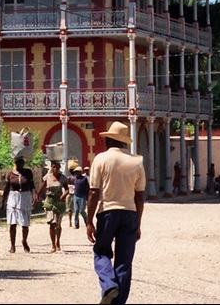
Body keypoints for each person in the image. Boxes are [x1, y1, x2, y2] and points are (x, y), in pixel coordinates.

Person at [86, 121, 146, 305]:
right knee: (124, 261)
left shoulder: (101, 159)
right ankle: (118, 302)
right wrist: (138, 223)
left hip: (108, 213)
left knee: (101, 251)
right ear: (124, 142)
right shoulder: (137, 161)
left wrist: (89, 221)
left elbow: (93, 193)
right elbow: (139, 196)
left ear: (109, 141)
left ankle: (109, 285)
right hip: (129, 213)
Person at [0, 156, 38, 253]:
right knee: (13, 223)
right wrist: (3, 202)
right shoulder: (10, 174)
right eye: (18, 163)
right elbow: (6, 188)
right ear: (15, 163)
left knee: (25, 223)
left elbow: (32, 185)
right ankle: (12, 245)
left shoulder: (28, 173)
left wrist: (34, 195)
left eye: (22, 162)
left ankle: (24, 241)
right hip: (13, 198)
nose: (20, 164)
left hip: (25, 197)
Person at [37, 160, 67, 252]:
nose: (55, 169)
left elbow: (67, 189)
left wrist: (64, 195)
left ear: (59, 168)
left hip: (59, 202)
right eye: (54, 167)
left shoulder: (63, 178)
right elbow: (41, 189)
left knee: (58, 224)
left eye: (57, 167)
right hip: (49, 202)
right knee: (52, 224)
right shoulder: (47, 177)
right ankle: (53, 245)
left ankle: (58, 242)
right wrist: (36, 197)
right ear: (51, 168)